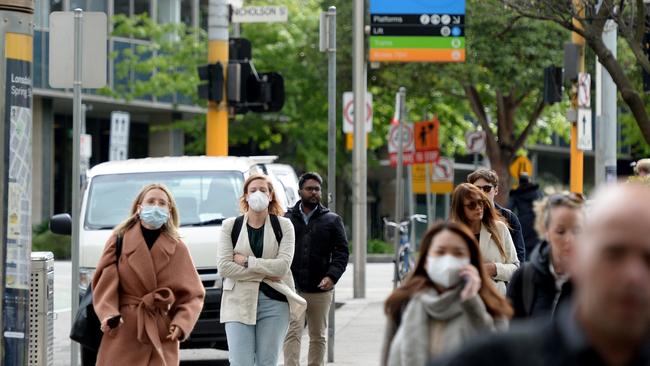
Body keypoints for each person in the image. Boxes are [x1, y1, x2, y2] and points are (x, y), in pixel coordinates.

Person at [429, 184, 650, 366]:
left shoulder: (499, 228)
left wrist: (494, 269)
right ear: (580, 259)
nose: (633, 275)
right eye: (614, 253)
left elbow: (513, 263)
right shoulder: (495, 357)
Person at [91, 183, 205, 366]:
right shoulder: (119, 239)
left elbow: (193, 294)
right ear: (139, 207)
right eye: (151, 201)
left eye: (162, 203)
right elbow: (105, 282)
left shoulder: (177, 247)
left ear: (169, 210)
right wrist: (109, 314)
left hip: (161, 330)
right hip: (124, 327)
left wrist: (181, 323)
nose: (156, 207)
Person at [381, 221, 513, 366]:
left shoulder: (490, 305)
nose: (448, 260)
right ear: (426, 261)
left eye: (458, 253)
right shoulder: (404, 302)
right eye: (440, 252)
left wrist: (473, 303)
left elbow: (497, 355)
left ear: (471, 261)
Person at [217, 174, 306, 366]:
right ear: (246, 196)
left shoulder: (284, 225)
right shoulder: (230, 226)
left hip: (275, 301)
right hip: (237, 300)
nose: (258, 194)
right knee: (241, 362)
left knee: (267, 361)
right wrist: (267, 270)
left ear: (271, 195)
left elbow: (282, 267)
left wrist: (247, 261)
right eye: (253, 190)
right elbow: (225, 267)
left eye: (263, 190)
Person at [283, 172, 349, 366]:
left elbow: (342, 252)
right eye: (309, 189)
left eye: (317, 189)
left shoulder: (332, 220)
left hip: (320, 288)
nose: (314, 193)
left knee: (318, 335)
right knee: (292, 332)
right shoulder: (286, 219)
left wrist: (332, 276)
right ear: (300, 191)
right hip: (293, 288)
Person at [507, 192, 585, 319]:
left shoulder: (596, 282)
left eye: (577, 231)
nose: (569, 239)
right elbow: (513, 333)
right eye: (560, 231)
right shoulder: (524, 278)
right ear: (545, 231)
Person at [450, 183, 519, 295]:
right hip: (463, 300)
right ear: (460, 209)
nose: (478, 207)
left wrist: (495, 269)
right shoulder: (452, 235)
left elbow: (515, 268)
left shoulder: (499, 228)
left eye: (480, 202)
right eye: (471, 205)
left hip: (495, 300)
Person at [467, 169, 526, 262]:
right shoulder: (463, 216)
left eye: (487, 188)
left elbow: (519, 258)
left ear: (496, 190)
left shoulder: (509, 217)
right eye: (477, 188)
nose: (482, 192)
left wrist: (496, 270)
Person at [507, 173, 543, 255]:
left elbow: (509, 209)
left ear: (519, 182)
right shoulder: (537, 192)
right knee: (536, 247)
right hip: (536, 222)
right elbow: (543, 206)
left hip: (522, 223)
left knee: (523, 247)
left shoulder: (516, 194)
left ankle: (525, 266)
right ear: (529, 180)